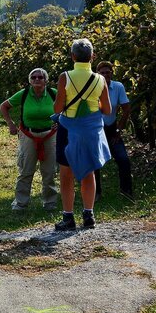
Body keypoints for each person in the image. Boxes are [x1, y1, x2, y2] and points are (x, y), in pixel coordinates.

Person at [53, 38, 112, 231]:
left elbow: (58, 107)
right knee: (89, 171)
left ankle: (68, 217)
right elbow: (107, 110)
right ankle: (89, 215)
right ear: (92, 57)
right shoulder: (100, 79)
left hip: (68, 129)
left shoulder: (65, 77)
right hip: (92, 131)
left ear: (72, 56)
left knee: (66, 174)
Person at [0, 68, 58, 211]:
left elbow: (68, 107)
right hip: (28, 135)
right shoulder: (24, 94)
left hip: (50, 135)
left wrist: (61, 121)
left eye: (40, 77)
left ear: (46, 80)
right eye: (34, 77)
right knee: (25, 170)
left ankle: (50, 203)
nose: (37, 79)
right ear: (30, 80)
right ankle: (20, 203)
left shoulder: (53, 93)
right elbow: (4, 106)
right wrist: (11, 124)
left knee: (49, 171)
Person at [93, 61, 133, 199]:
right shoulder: (93, 88)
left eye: (107, 72)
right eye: (102, 73)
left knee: (123, 159)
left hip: (112, 128)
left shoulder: (118, 87)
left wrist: (119, 129)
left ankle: (126, 191)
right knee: (95, 161)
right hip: (96, 128)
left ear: (111, 73)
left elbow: (126, 108)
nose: (105, 75)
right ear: (97, 74)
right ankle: (96, 192)